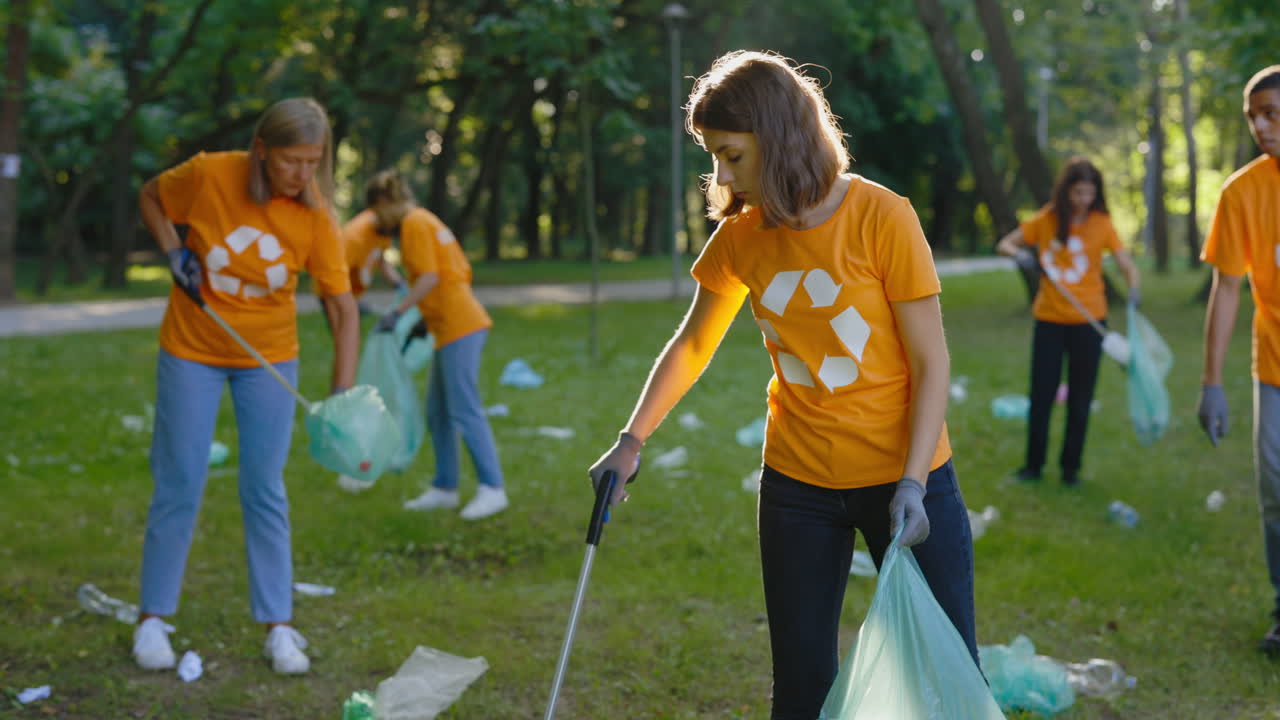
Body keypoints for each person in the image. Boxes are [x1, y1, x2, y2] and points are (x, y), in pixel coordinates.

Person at [588, 50, 978, 719]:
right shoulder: (742, 238)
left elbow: (931, 362)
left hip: (906, 477)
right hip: (798, 485)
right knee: (800, 685)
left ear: (779, 136)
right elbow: (693, 344)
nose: (721, 175)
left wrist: (914, 483)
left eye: (732, 155)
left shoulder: (882, 215)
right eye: (714, 157)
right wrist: (631, 440)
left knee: (947, 676)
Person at [133, 97, 360, 675]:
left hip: (269, 361)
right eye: (291, 161)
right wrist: (174, 249)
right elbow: (151, 196)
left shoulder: (315, 216)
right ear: (261, 151)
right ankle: (152, 619)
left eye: (313, 162)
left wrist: (341, 392)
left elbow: (343, 307)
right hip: (191, 350)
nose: (303, 174)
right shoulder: (211, 174)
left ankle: (278, 626)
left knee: (265, 487)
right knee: (180, 479)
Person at [364, 170, 508, 520]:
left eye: (376, 211)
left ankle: (493, 488)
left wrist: (398, 313)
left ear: (385, 202)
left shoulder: (413, 224)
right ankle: (445, 487)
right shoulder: (424, 219)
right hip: (450, 325)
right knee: (438, 412)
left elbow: (429, 277)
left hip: (460, 326)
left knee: (464, 409)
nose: (377, 220)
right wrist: (424, 322)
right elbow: (449, 273)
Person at [1197, 64, 1280, 656]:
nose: (1261, 126)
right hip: (1273, 367)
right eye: (1254, 116)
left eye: (1272, 114)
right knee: (1275, 486)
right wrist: (1212, 382)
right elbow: (1227, 289)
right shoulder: (1242, 192)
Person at [996, 157, 1140, 486]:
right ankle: (1033, 467)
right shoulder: (1047, 219)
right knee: (1041, 395)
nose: (1083, 200)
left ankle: (1070, 470)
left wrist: (1134, 288)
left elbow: (1125, 263)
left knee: (1080, 398)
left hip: (1090, 323)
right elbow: (1004, 244)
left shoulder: (1102, 223)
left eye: (1090, 193)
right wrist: (1020, 255)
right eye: (1078, 193)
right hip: (1049, 320)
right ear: (1066, 191)